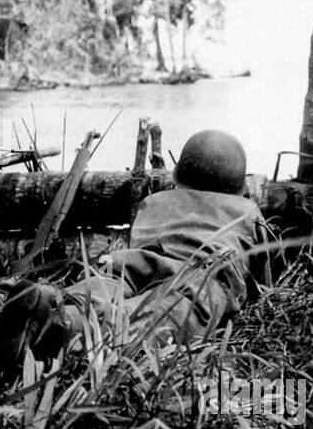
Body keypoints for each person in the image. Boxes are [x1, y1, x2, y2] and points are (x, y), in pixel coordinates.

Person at [66, 129, 273, 349]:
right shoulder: (248, 211)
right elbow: (263, 284)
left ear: (179, 176)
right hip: (198, 278)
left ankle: (57, 307)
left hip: (138, 262)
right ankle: (71, 325)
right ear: (239, 185)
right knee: (158, 317)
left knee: (108, 284)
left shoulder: (155, 200)